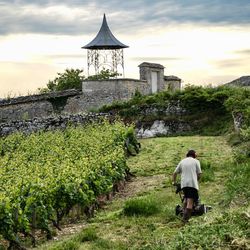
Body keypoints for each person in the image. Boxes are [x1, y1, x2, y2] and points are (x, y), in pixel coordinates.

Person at [172, 149, 202, 223]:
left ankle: (183, 213)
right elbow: (199, 174)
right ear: (194, 155)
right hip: (192, 184)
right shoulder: (196, 161)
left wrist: (174, 182)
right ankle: (184, 220)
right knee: (190, 204)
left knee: (186, 200)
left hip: (184, 185)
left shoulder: (182, 161)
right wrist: (196, 180)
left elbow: (175, 173)